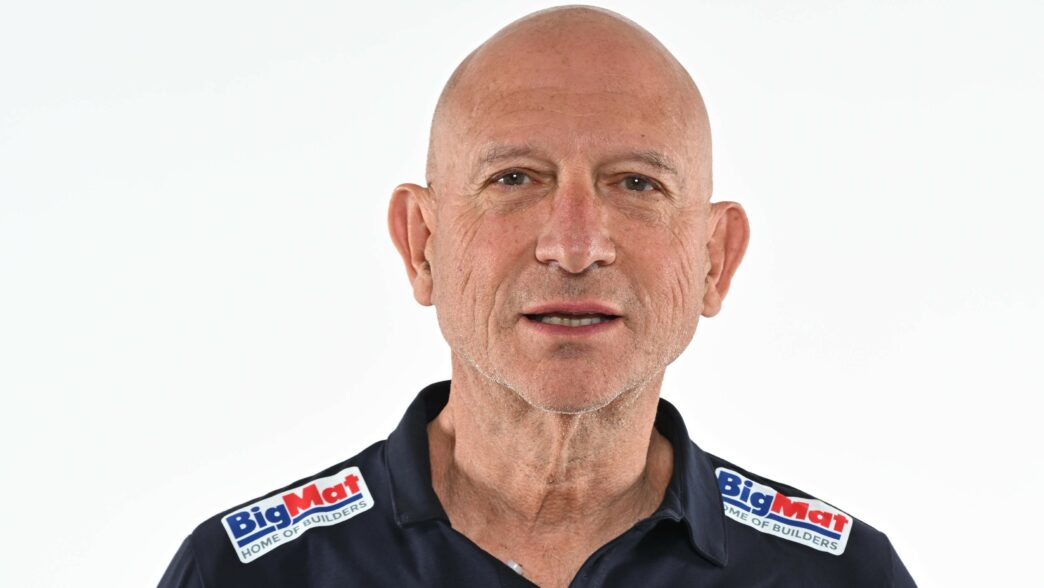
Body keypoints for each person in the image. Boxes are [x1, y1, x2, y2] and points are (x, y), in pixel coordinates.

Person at [159, 5, 916, 587]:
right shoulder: (246, 575)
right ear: (421, 243)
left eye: (637, 184)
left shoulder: (841, 578)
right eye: (515, 179)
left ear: (715, 259)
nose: (575, 246)